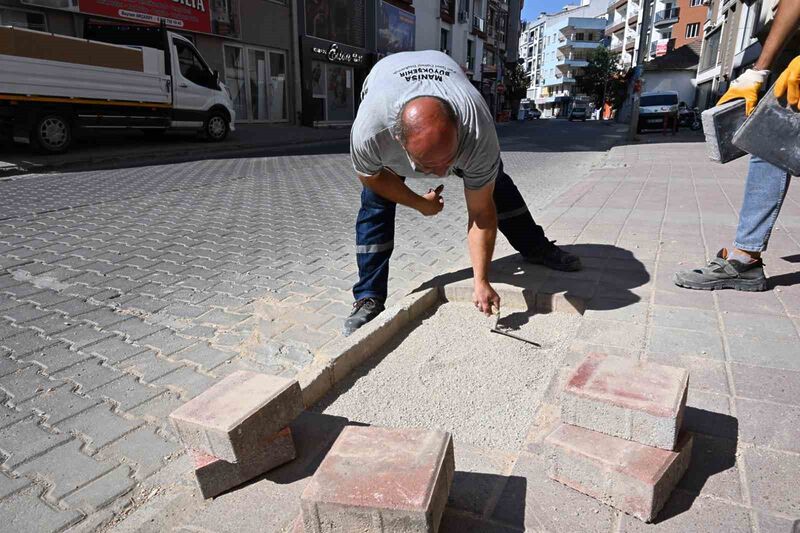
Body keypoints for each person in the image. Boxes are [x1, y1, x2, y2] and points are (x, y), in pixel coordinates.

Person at [343, 50, 581, 335]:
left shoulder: (477, 130)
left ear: (459, 128)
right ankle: (368, 297)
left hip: (452, 91)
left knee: (497, 187)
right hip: (385, 78)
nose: (442, 171)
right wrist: (420, 203)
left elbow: (481, 213)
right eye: (429, 166)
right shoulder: (371, 132)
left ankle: (535, 247)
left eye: (449, 160)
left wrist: (481, 281)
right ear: (398, 140)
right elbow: (370, 177)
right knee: (376, 204)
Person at [673, 0, 800, 291]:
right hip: (788, 49)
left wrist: (759, 70)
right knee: (769, 146)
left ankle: (746, 257)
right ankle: (746, 257)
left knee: (769, 144)